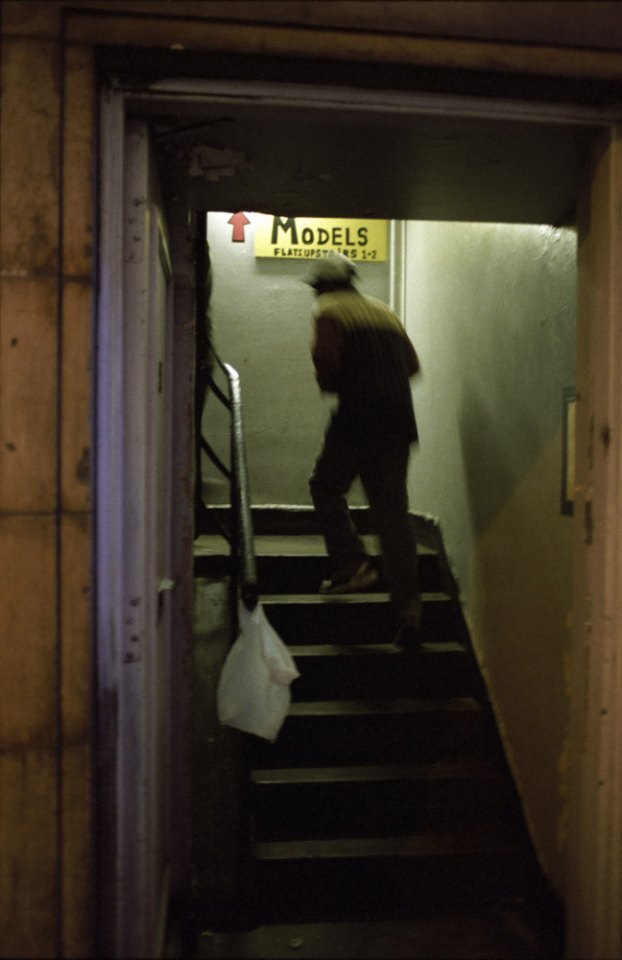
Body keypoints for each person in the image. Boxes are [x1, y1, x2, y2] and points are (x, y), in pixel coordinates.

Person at [306, 252, 423, 650]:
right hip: (398, 423)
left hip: (357, 419)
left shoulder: (328, 309)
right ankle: (410, 614)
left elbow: (326, 364)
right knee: (393, 516)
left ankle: (352, 563)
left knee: (325, 486)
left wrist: (341, 382)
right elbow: (412, 364)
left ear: (322, 285)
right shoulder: (383, 311)